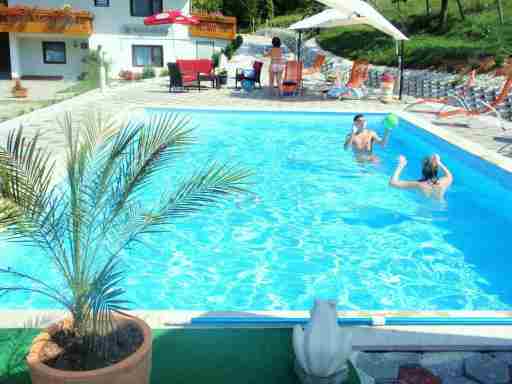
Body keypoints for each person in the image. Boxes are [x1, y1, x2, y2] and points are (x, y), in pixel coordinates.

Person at [389, 154, 453, 200]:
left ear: (423, 169)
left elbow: (392, 183)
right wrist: (439, 162)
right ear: (437, 168)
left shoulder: (419, 184)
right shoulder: (443, 182)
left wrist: (401, 165)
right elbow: (449, 176)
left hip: (425, 211)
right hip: (441, 207)